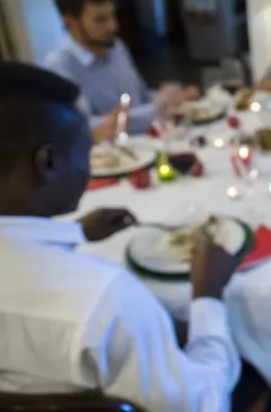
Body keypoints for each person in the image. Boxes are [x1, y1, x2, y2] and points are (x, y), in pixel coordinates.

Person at [0, 62, 240, 410]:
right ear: (48, 162)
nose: (90, 163)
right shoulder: (104, 301)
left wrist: (74, 231)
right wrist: (208, 294)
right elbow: (204, 403)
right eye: (87, 152)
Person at [43, 0, 199, 143]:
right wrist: (158, 106)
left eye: (112, 15)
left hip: (150, 144)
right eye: (100, 19)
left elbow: (140, 98)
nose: (113, 26)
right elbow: (86, 128)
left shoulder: (116, 47)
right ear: (69, 22)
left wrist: (169, 97)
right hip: (111, 161)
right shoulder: (58, 66)